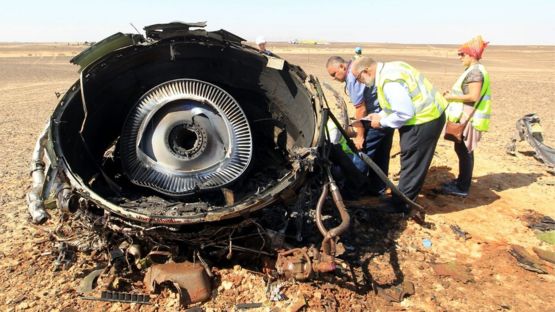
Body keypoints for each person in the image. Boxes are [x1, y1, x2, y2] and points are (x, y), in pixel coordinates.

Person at [351, 57, 447, 212]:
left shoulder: (389, 82)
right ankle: (403, 198)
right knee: (411, 160)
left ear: (366, 71)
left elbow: (404, 112)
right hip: (428, 115)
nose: (360, 82)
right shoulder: (393, 68)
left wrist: (381, 123)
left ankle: (401, 205)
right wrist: (380, 115)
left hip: (423, 120)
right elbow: (396, 105)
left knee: (412, 161)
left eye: (358, 78)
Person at [326, 56, 394, 195]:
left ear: (342, 67)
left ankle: (353, 190)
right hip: (387, 116)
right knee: (381, 154)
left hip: (374, 119)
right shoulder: (356, 70)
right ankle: (378, 188)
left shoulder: (352, 77)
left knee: (362, 155)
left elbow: (360, 109)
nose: (334, 78)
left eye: (334, 74)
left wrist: (359, 135)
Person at [441, 36, 491, 197]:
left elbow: (473, 96)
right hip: (466, 116)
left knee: (465, 151)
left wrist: (452, 98)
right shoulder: (472, 70)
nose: (460, 57)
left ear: (471, 55)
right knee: (462, 149)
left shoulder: (476, 72)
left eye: (462, 54)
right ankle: (461, 181)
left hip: (470, 118)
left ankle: (462, 187)